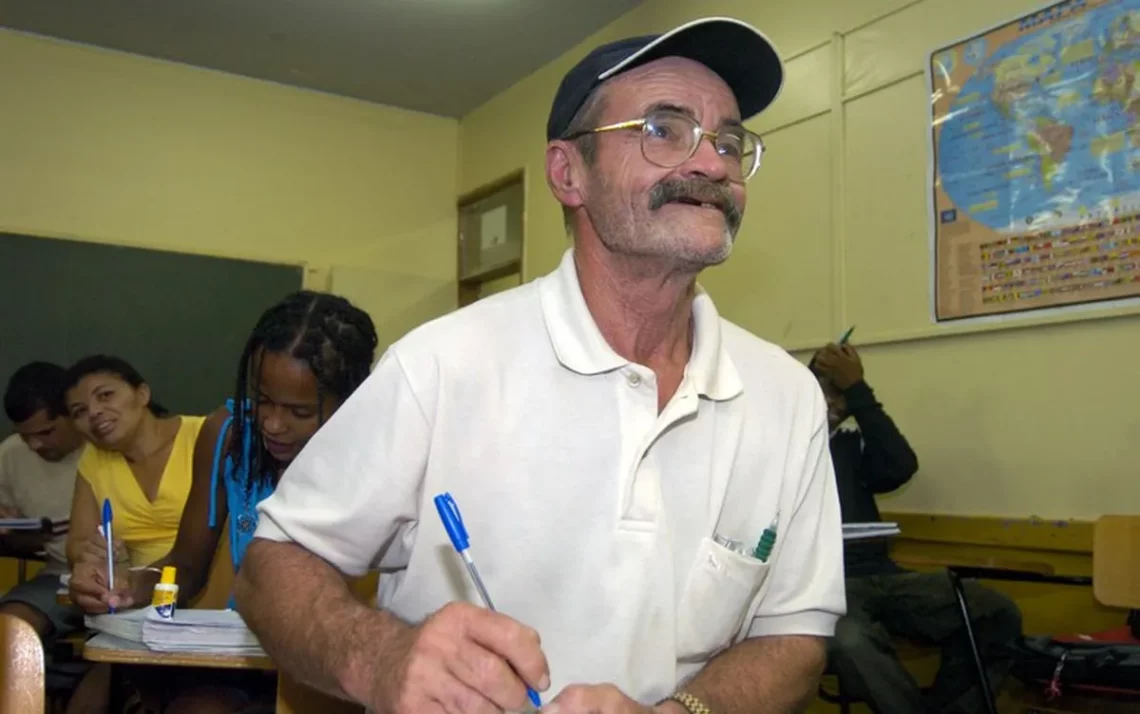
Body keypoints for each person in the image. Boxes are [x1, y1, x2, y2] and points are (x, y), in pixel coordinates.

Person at [236, 17, 845, 714]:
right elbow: (270, 567)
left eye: (730, 141)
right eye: (663, 129)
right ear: (568, 172)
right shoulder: (441, 366)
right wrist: (378, 658)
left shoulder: (786, 398)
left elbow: (794, 635)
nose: (711, 164)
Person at [68, 291, 379, 714]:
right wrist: (129, 585)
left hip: (343, 661)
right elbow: (187, 567)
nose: (272, 423)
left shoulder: (378, 453)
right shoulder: (228, 436)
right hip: (246, 654)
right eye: (263, 399)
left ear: (349, 401)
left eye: (299, 411)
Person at [811, 341, 1022, 714]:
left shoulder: (853, 447)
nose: (833, 403)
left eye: (840, 395)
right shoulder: (782, 447)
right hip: (825, 589)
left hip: (885, 578)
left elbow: (900, 467)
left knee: (995, 611)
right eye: (825, 391)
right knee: (850, 640)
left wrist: (859, 392)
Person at [63, 355, 204, 571]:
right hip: (139, 592)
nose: (94, 412)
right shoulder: (93, 459)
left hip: (214, 583)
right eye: (79, 411)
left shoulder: (205, 435)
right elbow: (77, 543)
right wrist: (89, 551)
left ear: (142, 394)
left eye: (105, 395)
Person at [0, 362, 85, 647]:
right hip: (58, 580)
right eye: (26, 436)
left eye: (46, 432)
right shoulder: (11, 454)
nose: (35, 445)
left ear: (73, 414)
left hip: (128, 578)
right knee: (11, 628)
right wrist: (14, 536)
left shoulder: (107, 444)